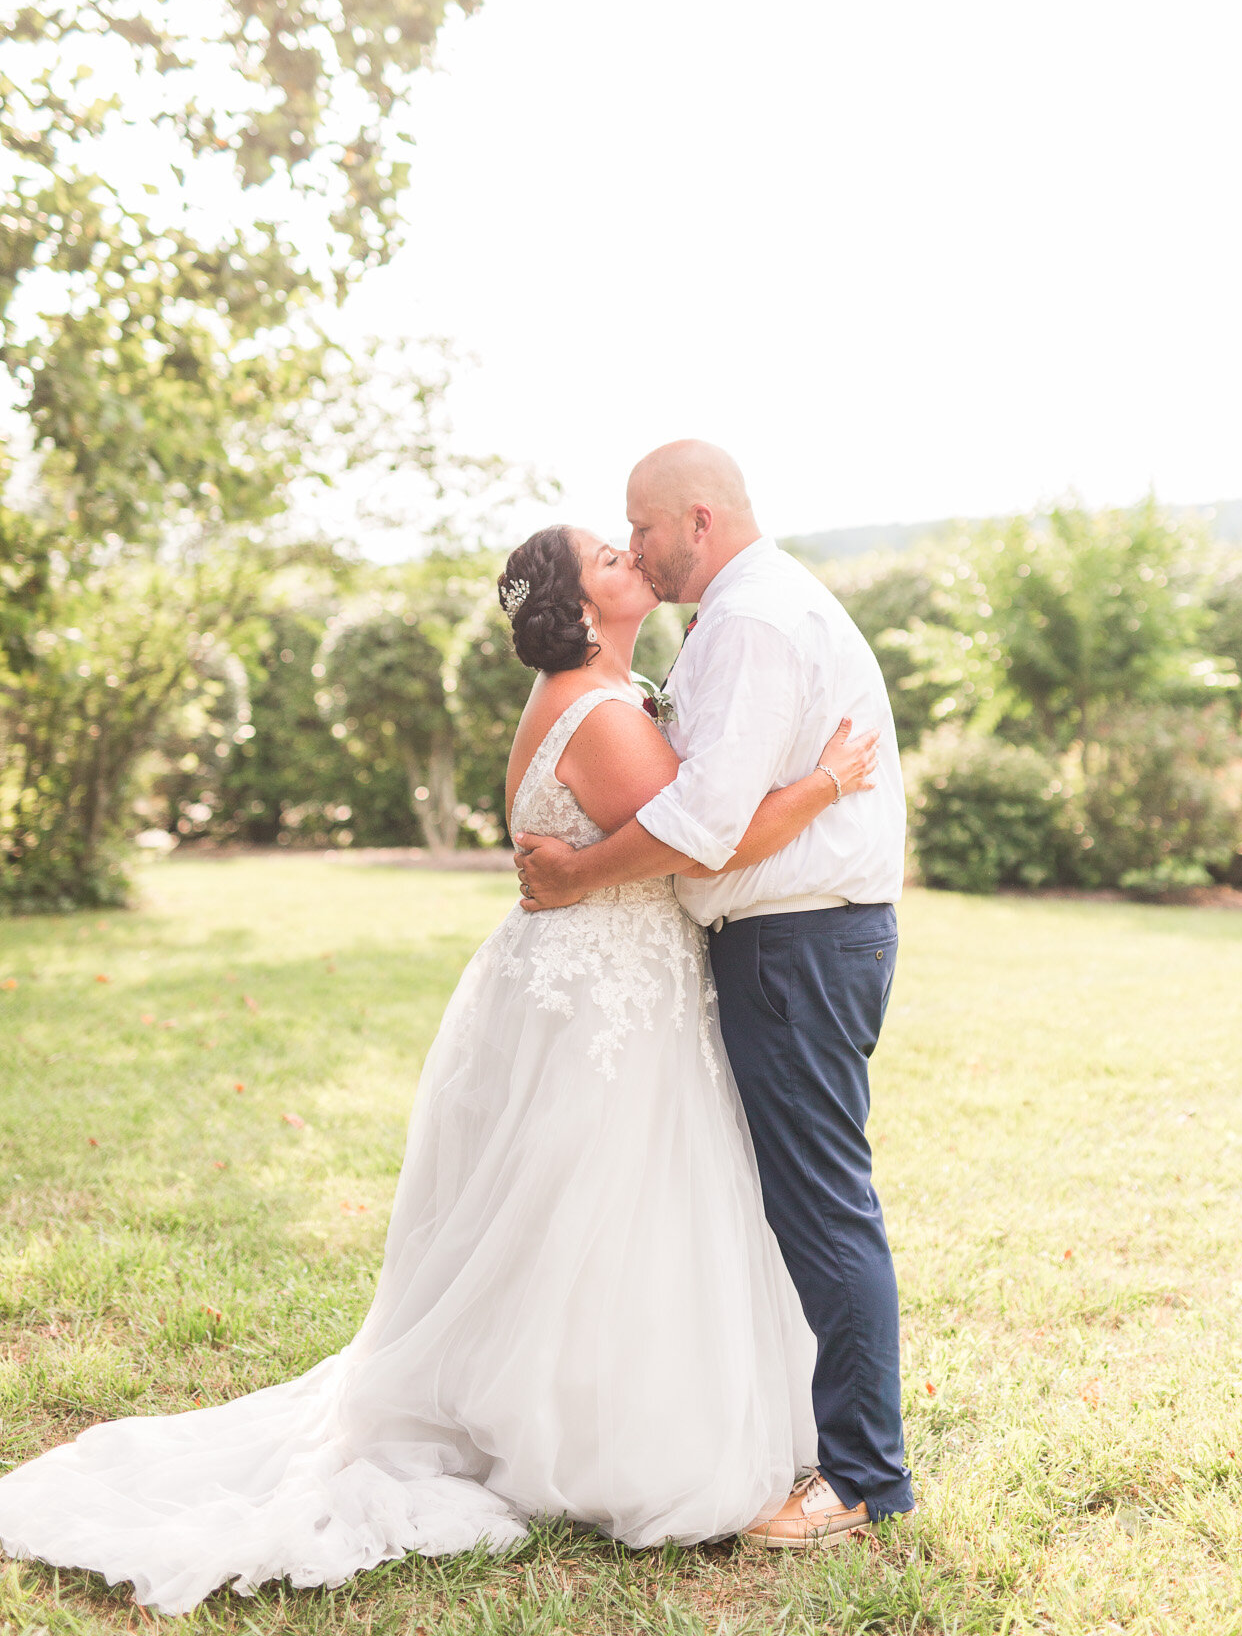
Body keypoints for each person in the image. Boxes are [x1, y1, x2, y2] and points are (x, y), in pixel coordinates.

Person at [0, 522, 879, 1615]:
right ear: (581, 600)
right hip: (604, 987)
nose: (629, 557)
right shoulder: (598, 709)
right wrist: (826, 782)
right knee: (595, 1202)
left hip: (608, 977)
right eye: (609, 555)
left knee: (601, 1200)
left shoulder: (606, 689)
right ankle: (586, 1431)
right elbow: (703, 834)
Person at [516, 441, 914, 1546]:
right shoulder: (745, 612)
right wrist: (821, 784)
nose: (634, 548)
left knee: (823, 1203)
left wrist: (574, 874)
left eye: (639, 528)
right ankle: (830, 1443)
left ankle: (863, 1476)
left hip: (797, 944)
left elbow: (703, 827)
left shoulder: (747, 621)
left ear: (695, 519)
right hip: (798, 941)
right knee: (801, 1198)